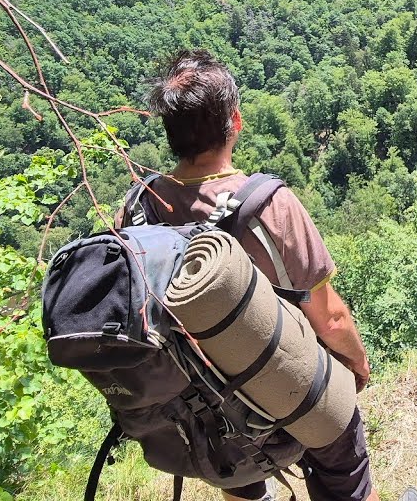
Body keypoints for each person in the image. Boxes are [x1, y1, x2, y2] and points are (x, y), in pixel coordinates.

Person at [119, 49, 378, 501]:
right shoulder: (268, 204)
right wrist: (357, 364)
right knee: (346, 473)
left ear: (170, 132)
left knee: (241, 481)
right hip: (290, 387)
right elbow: (330, 318)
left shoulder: (137, 210)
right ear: (234, 121)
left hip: (205, 408)